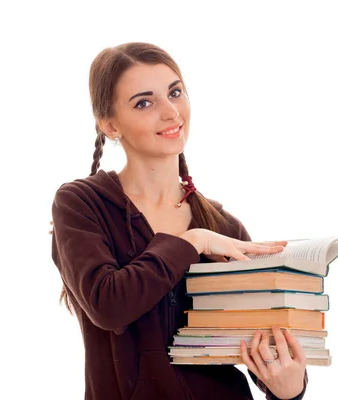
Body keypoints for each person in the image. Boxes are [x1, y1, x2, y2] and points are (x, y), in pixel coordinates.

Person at [50, 42, 308, 400]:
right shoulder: (82, 205)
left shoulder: (223, 226)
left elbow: (258, 345)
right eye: (144, 102)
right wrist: (192, 243)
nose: (171, 112)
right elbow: (108, 306)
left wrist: (290, 388)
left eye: (175, 93)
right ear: (110, 124)